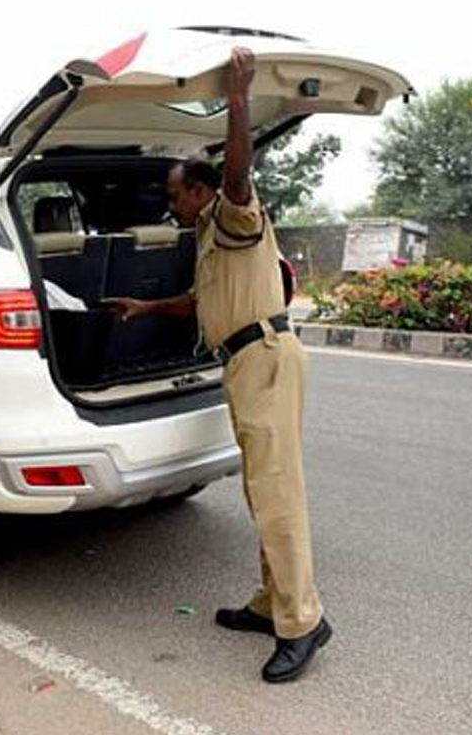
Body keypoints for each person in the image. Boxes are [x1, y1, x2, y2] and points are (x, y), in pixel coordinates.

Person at [108, 48, 330, 683]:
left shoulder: (233, 212)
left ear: (202, 190)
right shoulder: (209, 234)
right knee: (263, 489)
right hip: (244, 362)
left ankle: (303, 623)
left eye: (176, 195)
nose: (170, 206)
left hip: (265, 360)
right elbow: (203, 303)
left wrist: (239, 96)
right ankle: (273, 603)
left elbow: (238, 173)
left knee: (278, 494)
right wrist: (146, 305)